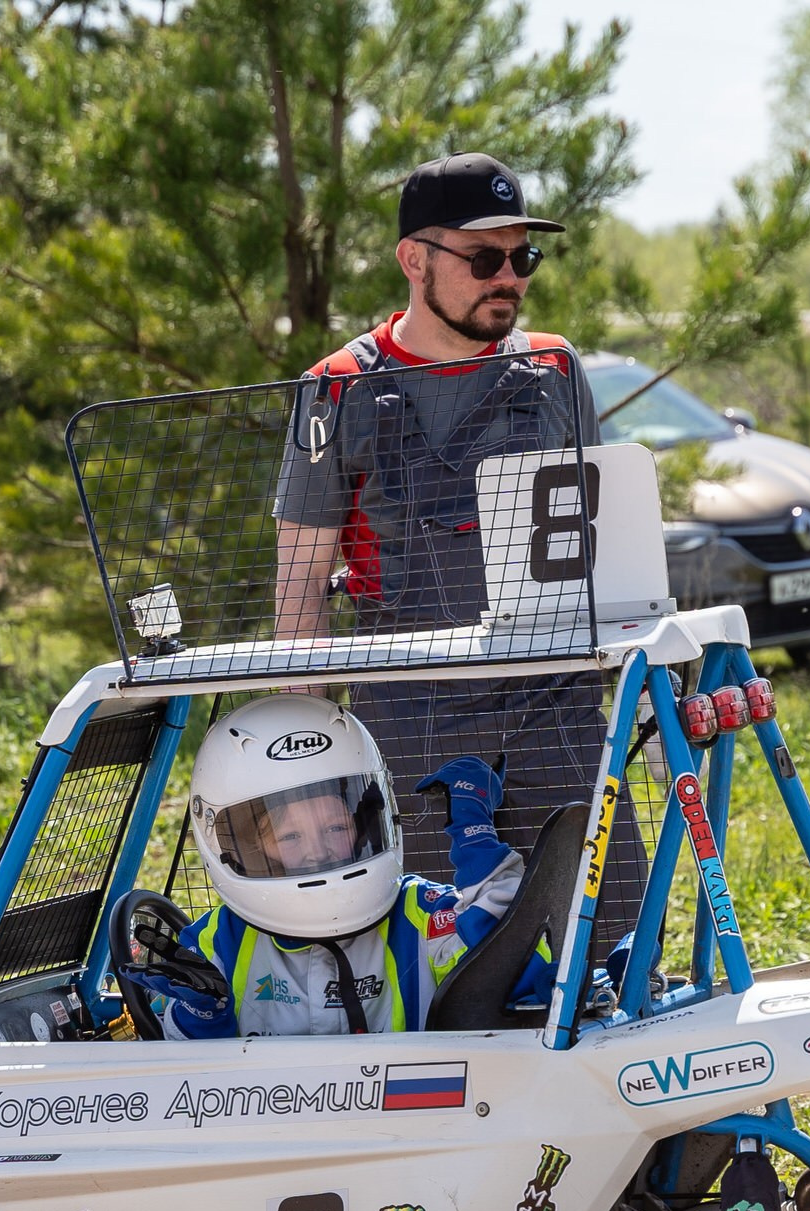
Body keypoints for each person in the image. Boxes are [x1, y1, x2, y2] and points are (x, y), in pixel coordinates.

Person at [266, 150, 645, 934]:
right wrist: (304, 769)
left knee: (609, 933)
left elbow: (603, 562)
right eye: (482, 257)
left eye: (521, 257)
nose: (507, 276)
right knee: (432, 956)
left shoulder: (554, 368)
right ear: (414, 260)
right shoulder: (336, 387)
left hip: (554, 709)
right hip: (407, 719)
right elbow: (300, 589)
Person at [118, 695, 546, 1039]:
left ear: (366, 826)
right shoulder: (218, 942)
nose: (316, 852)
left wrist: (478, 845)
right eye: (290, 837)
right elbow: (183, 1083)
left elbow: (523, 974)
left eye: (335, 827)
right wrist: (203, 1014)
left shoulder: (421, 914)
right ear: (244, 846)